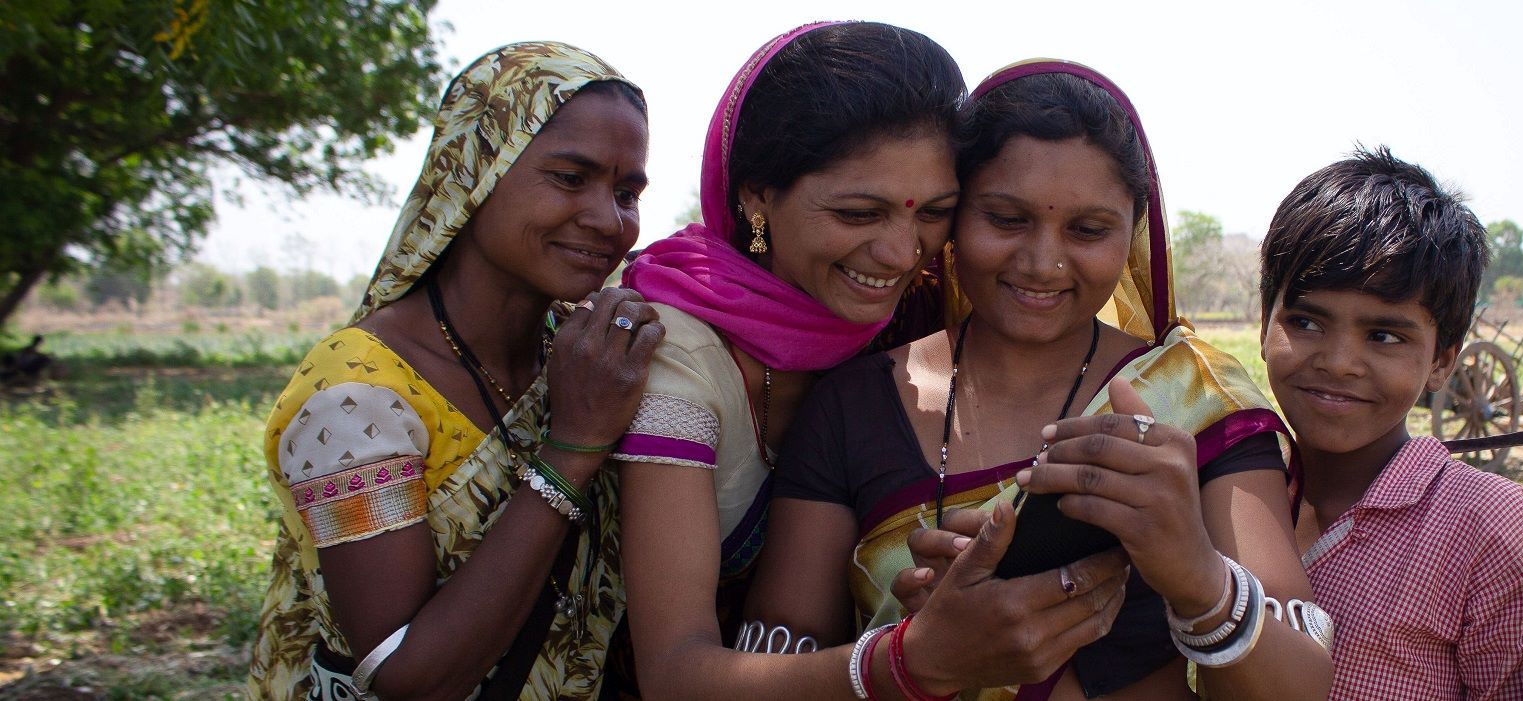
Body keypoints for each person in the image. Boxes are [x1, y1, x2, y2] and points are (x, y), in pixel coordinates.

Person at [754, 60, 1336, 700]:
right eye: (1005, 219)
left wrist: (1199, 577)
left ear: (1131, 234)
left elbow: (1299, 685)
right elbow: (778, 650)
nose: (1043, 262)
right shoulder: (853, 403)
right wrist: (916, 652)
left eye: (1088, 230)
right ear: (951, 221)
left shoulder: (1192, 396)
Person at [614, 23, 1128, 700]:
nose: (899, 253)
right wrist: (908, 660)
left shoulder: (902, 330)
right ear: (756, 196)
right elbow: (674, 674)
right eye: (860, 212)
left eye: (934, 213)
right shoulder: (675, 353)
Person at [248, 43, 661, 700]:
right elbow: (408, 676)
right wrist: (572, 451)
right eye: (569, 177)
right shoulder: (355, 395)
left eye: (627, 191)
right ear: (476, 171)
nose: (608, 220)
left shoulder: (579, 353)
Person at [1255, 147, 1523, 699]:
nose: (1339, 361)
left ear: (1444, 359)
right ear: (1263, 326)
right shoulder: (1239, 491)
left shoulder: (1481, 524)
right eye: (1305, 321)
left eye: (1384, 336)